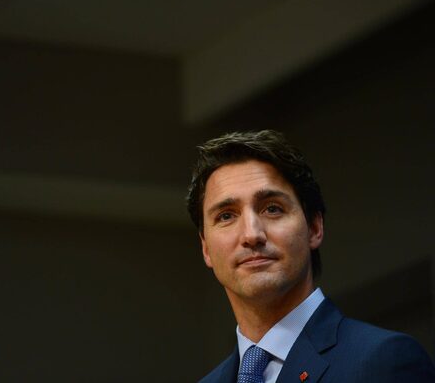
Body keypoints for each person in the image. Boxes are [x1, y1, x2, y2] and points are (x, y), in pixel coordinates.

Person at [186, 130, 435, 383]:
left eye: (272, 209)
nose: (251, 234)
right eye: (226, 216)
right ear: (205, 248)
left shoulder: (384, 362)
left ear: (314, 228)